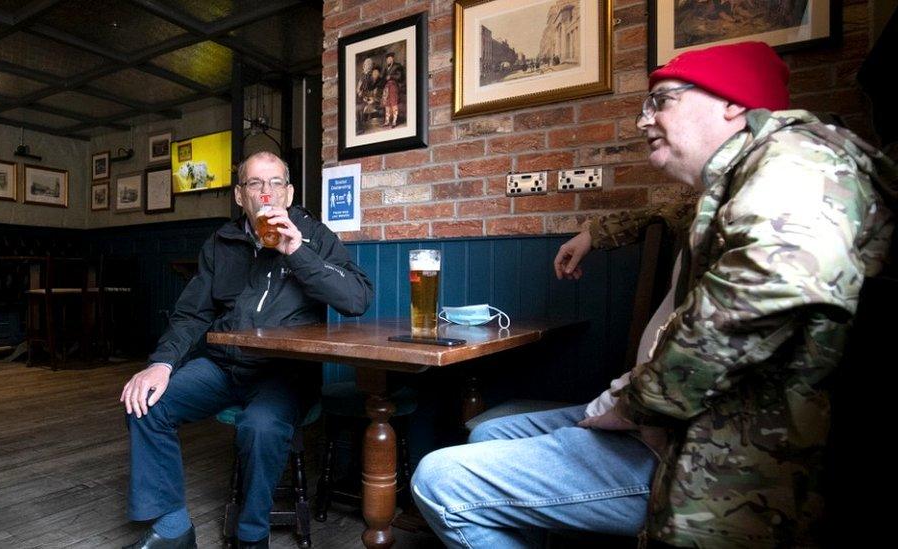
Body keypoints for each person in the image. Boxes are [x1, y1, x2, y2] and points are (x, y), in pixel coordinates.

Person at [412, 41, 896, 548]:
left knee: (438, 478)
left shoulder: (800, 162)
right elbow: (661, 213)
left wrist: (643, 407)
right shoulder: (724, 189)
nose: (644, 121)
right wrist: (594, 234)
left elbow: (771, 285)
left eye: (661, 100)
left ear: (732, 104)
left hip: (717, 451)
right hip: (666, 413)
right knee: (487, 432)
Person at [120, 151, 374, 549]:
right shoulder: (222, 241)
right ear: (241, 196)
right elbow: (191, 314)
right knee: (146, 402)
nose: (266, 192)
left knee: (260, 426)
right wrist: (162, 363)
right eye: (255, 184)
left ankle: (252, 537)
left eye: (275, 183)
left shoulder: (315, 236)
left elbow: (357, 299)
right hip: (223, 367)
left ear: (288, 192)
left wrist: (297, 251)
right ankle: (173, 529)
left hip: (283, 372)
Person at [382, 52, 404, 128]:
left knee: (394, 103)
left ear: (392, 59)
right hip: (386, 87)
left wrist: (391, 76)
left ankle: (394, 121)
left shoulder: (397, 66)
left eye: (390, 58)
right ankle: (387, 121)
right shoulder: (385, 68)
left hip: (393, 86)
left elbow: (400, 76)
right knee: (387, 104)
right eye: (387, 59)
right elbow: (383, 78)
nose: (389, 60)